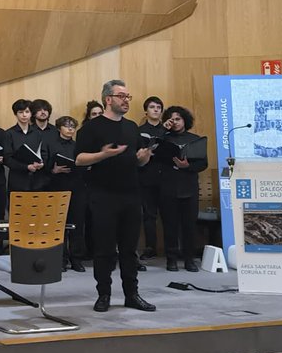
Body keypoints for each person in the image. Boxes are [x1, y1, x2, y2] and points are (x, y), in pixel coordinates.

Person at [76, 80, 156, 314]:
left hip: (131, 194)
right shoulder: (91, 128)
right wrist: (102, 155)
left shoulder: (131, 127)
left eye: (128, 96)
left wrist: (145, 155)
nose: (126, 100)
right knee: (104, 249)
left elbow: (140, 161)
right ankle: (104, 294)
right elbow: (79, 159)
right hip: (103, 195)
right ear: (108, 99)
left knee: (130, 249)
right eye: (121, 96)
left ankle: (132, 294)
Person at [158, 106, 209, 272]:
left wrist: (187, 166)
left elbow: (203, 163)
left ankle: (189, 259)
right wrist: (161, 131)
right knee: (170, 225)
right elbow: (153, 156)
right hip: (168, 186)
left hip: (189, 186)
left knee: (189, 226)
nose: (175, 122)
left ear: (185, 120)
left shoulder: (195, 139)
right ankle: (171, 259)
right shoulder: (163, 139)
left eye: (178, 119)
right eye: (172, 120)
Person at [44, 116, 86, 272]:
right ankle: (60, 259)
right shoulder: (51, 144)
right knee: (58, 224)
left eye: (73, 126)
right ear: (59, 128)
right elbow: (45, 165)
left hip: (76, 187)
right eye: (67, 126)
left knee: (77, 224)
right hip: (57, 187)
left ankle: (76, 259)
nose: (70, 129)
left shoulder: (78, 146)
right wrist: (53, 170)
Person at [138, 96, 166, 261]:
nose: (156, 110)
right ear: (146, 111)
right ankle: (150, 247)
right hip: (146, 176)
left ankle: (172, 248)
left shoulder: (168, 130)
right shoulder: (138, 130)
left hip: (166, 176)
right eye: (152, 107)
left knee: (169, 214)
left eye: (158, 107)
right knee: (149, 215)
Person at [3, 99, 48, 196]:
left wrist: (41, 164)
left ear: (31, 114)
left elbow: (43, 153)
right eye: (20, 112)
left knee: (36, 209)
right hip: (17, 181)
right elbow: (7, 159)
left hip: (37, 181)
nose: (24, 115)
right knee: (18, 210)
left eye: (27, 112)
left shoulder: (38, 133)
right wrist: (26, 167)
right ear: (16, 114)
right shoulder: (9, 134)